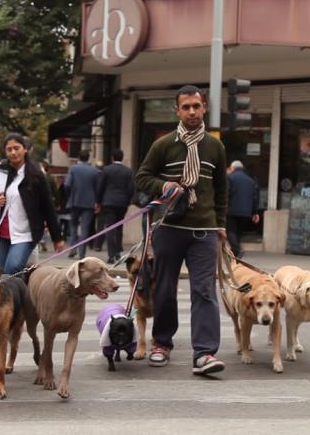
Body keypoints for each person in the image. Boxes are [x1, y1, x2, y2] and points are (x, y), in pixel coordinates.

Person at [135, 84, 228, 376]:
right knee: (164, 289)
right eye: (186, 107)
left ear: (204, 109)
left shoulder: (216, 147)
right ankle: (162, 343)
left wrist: (221, 224)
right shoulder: (163, 144)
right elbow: (142, 177)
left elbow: (222, 190)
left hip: (204, 231)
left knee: (204, 291)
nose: (191, 111)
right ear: (177, 110)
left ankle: (205, 353)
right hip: (169, 228)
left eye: (196, 106)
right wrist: (164, 185)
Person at [0, 133, 65, 274]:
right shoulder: (0, 172)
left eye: (16, 148)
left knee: (12, 268)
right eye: (9, 149)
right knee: (5, 272)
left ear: (25, 149)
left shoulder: (36, 175)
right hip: (0, 233)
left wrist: (57, 238)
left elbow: (47, 207)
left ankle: (16, 294)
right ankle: (19, 294)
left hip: (26, 233)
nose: (13, 152)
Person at [97, 148, 135, 264]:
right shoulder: (128, 171)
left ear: (112, 158)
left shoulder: (107, 170)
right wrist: (128, 201)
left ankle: (111, 255)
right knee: (119, 227)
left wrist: (98, 201)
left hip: (108, 202)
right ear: (122, 158)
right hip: (122, 203)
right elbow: (131, 188)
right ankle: (118, 252)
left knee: (110, 228)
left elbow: (101, 186)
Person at [63, 150, 101, 259]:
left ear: (79, 157)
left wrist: (70, 195)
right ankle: (82, 253)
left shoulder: (73, 169)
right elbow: (97, 189)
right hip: (89, 203)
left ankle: (73, 248)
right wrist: (97, 202)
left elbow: (67, 185)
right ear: (88, 158)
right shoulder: (95, 171)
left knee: (73, 225)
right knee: (85, 228)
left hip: (75, 201)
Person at [226, 160, 260, 258]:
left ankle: (237, 250)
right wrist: (255, 212)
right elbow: (255, 197)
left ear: (232, 168)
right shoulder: (250, 180)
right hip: (246, 212)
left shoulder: (230, 178)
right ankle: (235, 255)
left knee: (230, 231)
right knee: (238, 233)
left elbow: (226, 194)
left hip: (231, 210)